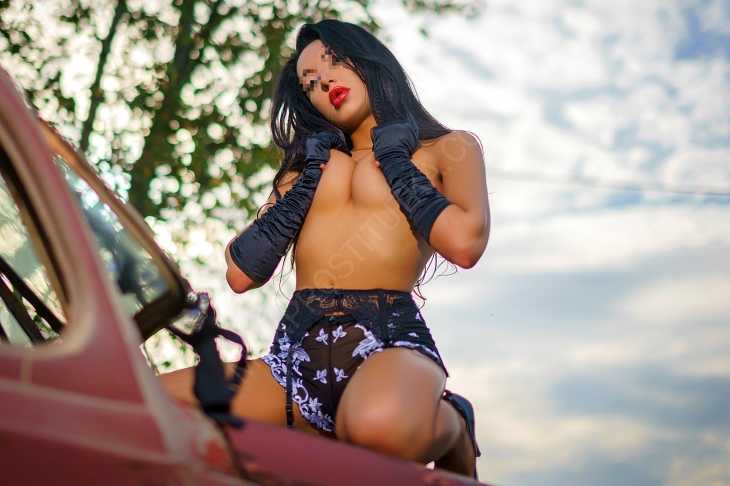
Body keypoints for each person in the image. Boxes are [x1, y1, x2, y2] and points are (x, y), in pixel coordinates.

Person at [160, 19, 490, 479]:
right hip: (293, 355)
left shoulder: (447, 148)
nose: (324, 83)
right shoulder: (306, 167)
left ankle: (453, 422)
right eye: (309, 83)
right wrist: (304, 182)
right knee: (146, 404)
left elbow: (466, 244)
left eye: (333, 62)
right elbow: (240, 274)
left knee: (377, 428)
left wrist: (395, 161)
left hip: (388, 339)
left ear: (370, 60)